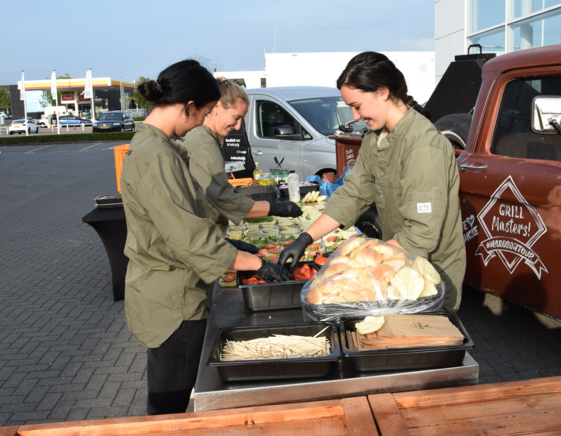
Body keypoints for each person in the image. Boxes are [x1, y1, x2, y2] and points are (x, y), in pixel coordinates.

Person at [120, 60, 293, 416]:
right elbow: (191, 238)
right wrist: (257, 262)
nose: (204, 121)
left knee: (171, 400)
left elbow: (185, 221)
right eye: (206, 112)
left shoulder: (160, 147)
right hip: (172, 301)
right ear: (188, 107)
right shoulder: (156, 155)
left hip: (171, 291)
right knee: (168, 409)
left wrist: (234, 247)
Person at [279, 52, 466, 312]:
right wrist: (305, 237)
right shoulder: (374, 139)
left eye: (357, 106)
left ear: (382, 92)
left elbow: (421, 233)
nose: (355, 116)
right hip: (397, 266)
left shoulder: (423, 145)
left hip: (429, 276)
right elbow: (353, 194)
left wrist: (358, 262)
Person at [179, 77, 302, 234]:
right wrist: (274, 208)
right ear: (217, 107)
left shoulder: (206, 138)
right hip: (204, 235)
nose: (237, 126)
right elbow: (223, 199)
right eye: (236, 118)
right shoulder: (203, 143)